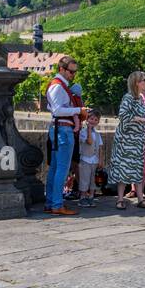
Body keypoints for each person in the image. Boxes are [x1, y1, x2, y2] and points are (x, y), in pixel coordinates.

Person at [44, 55, 88, 215]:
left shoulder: (61, 85)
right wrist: (79, 110)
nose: (73, 75)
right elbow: (57, 110)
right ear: (61, 69)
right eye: (71, 71)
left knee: (55, 168)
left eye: (75, 72)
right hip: (62, 129)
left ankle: (51, 203)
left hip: (59, 129)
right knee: (61, 169)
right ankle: (57, 204)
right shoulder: (58, 86)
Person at [110, 70, 145, 210]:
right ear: (136, 83)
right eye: (143, 80)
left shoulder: (140, 98)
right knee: (124, 168)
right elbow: (123, 116)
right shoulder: (128, 97)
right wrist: (142, 119)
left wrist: (144, 135)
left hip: (137, 140)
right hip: (125, 140)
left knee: (137, 169)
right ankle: (120, 200)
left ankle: (140, 199)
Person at [76, 109, 103, 208]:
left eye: (96, 120)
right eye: (91, 119)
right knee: (84, 179)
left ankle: (91, 196)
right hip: (85, 159)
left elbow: (100, 147)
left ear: (98, 122)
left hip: (94, 160)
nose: (93, 121)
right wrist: (88, 129)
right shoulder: (83, 132)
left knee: (93, 180)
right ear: (87, 119)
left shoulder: (97, 134)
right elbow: (89, 142)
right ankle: (83, 197)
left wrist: (100, 160)